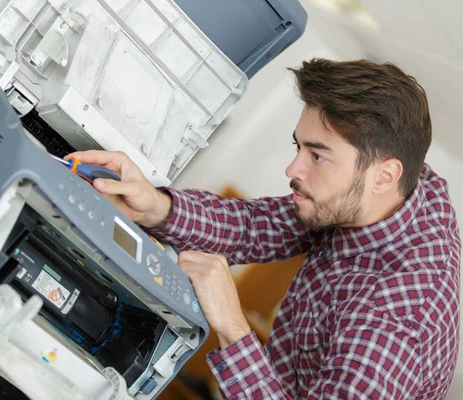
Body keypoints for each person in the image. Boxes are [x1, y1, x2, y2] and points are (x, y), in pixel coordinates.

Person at [69, 59, 461, 399]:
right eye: (299, 148)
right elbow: (259, 227)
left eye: (318, 155)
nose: (293, 170)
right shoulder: (394, 182)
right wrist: (156, 206)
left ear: (385, 175)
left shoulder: (399, 318)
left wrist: (232, 324)